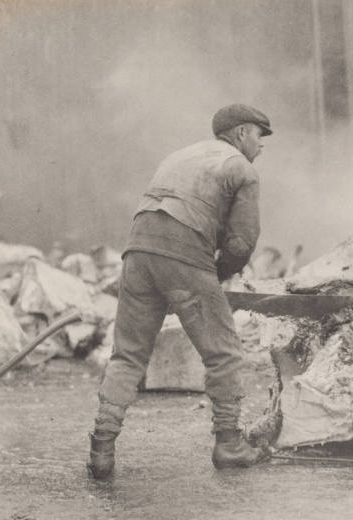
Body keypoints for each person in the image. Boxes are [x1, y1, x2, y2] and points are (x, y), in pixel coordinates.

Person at [87, 103, 273, 479]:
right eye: (258, 134)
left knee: (127, 356)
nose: (261, 145)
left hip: (137, 255)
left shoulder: (180, 155)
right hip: (184, 257)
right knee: (224, 354)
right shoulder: (241, 169)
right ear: (239, 133)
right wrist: (214, 277)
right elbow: (240, 244)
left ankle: (101, 451)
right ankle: (229, 444)